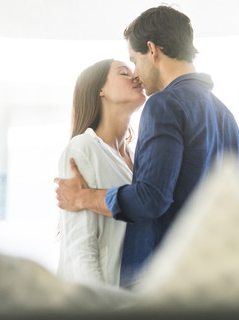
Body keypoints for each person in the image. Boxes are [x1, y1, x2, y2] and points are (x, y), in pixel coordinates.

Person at [55, 5, 239, 289]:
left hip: (162, 284)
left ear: (152, 50)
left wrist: (84, 197)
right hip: (211, 279)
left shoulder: (164, 104)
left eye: (134, 60)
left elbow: (151, 198)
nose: (136, 73)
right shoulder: (226, 116)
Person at [56, 59, 146, 287]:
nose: (135, 77)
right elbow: (80, 247)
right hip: (97, 299)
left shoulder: (137, 158)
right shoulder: (82, 148)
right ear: (101, 90)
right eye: (124, 73)